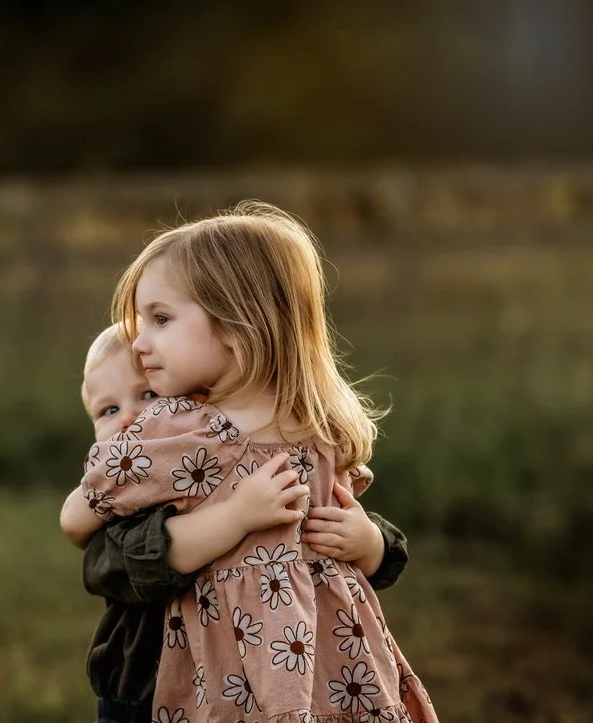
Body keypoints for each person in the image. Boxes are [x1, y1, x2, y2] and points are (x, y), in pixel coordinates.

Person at [60, 203, 436, 722]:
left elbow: (347, 529)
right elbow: (88, 531)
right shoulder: (179, 433)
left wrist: (370, 543)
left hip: (329, 678)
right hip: (203, 680)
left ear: (238, 324)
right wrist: (236, 517)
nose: (140, 342)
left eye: (161, 319)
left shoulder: (320, 429)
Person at [68, 324, 411, 723]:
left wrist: (373, 544)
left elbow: (325, 519)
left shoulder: (218, 459)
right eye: (107, 410)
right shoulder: (121, 499)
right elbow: (103, 565)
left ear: (190, 403)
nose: (128, 419)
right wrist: (231, 520)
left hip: (265, 685)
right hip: (145, 688)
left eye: (149, 397)